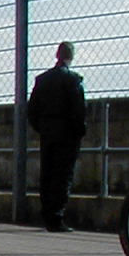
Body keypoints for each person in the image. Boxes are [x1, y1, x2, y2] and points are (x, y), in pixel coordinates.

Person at [27, 41, 86, 232]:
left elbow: (31, 110)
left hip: (48, 132)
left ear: (57, 55)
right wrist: (79, 131)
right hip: (67, 134)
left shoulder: (42, 80)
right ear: (71, 56)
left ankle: (46, 215)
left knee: (47, 173)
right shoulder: (73, 80)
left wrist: (42, 127)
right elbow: (79, 109)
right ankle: (56, 217)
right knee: (63, 175)